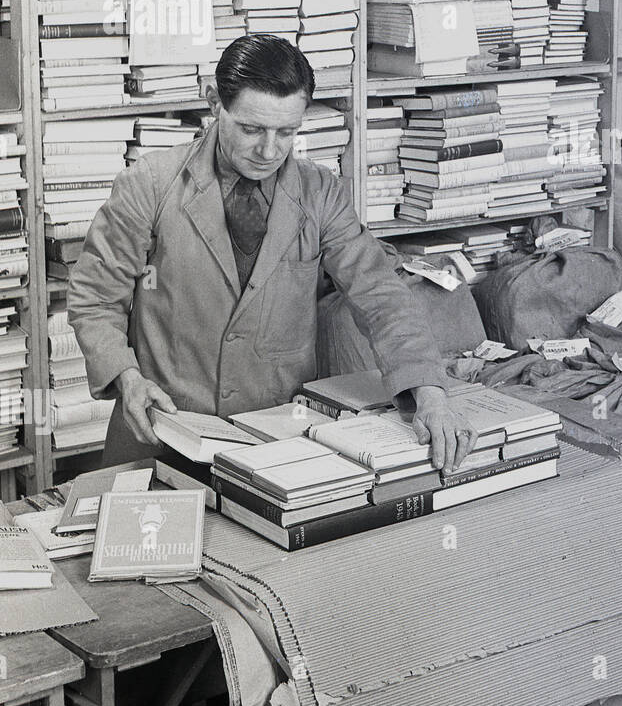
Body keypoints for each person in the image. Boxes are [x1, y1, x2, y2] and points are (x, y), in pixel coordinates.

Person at [69, 35, 470, 471]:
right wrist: (128, 379)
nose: (269, 150)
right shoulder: (149, 184)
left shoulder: (321, 194)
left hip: (276, 441)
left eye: (286, 132)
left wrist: (430, 392)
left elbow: (380, 296)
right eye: (251, 128)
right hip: (161, 430)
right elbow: (96, 299)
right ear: (213, 104)